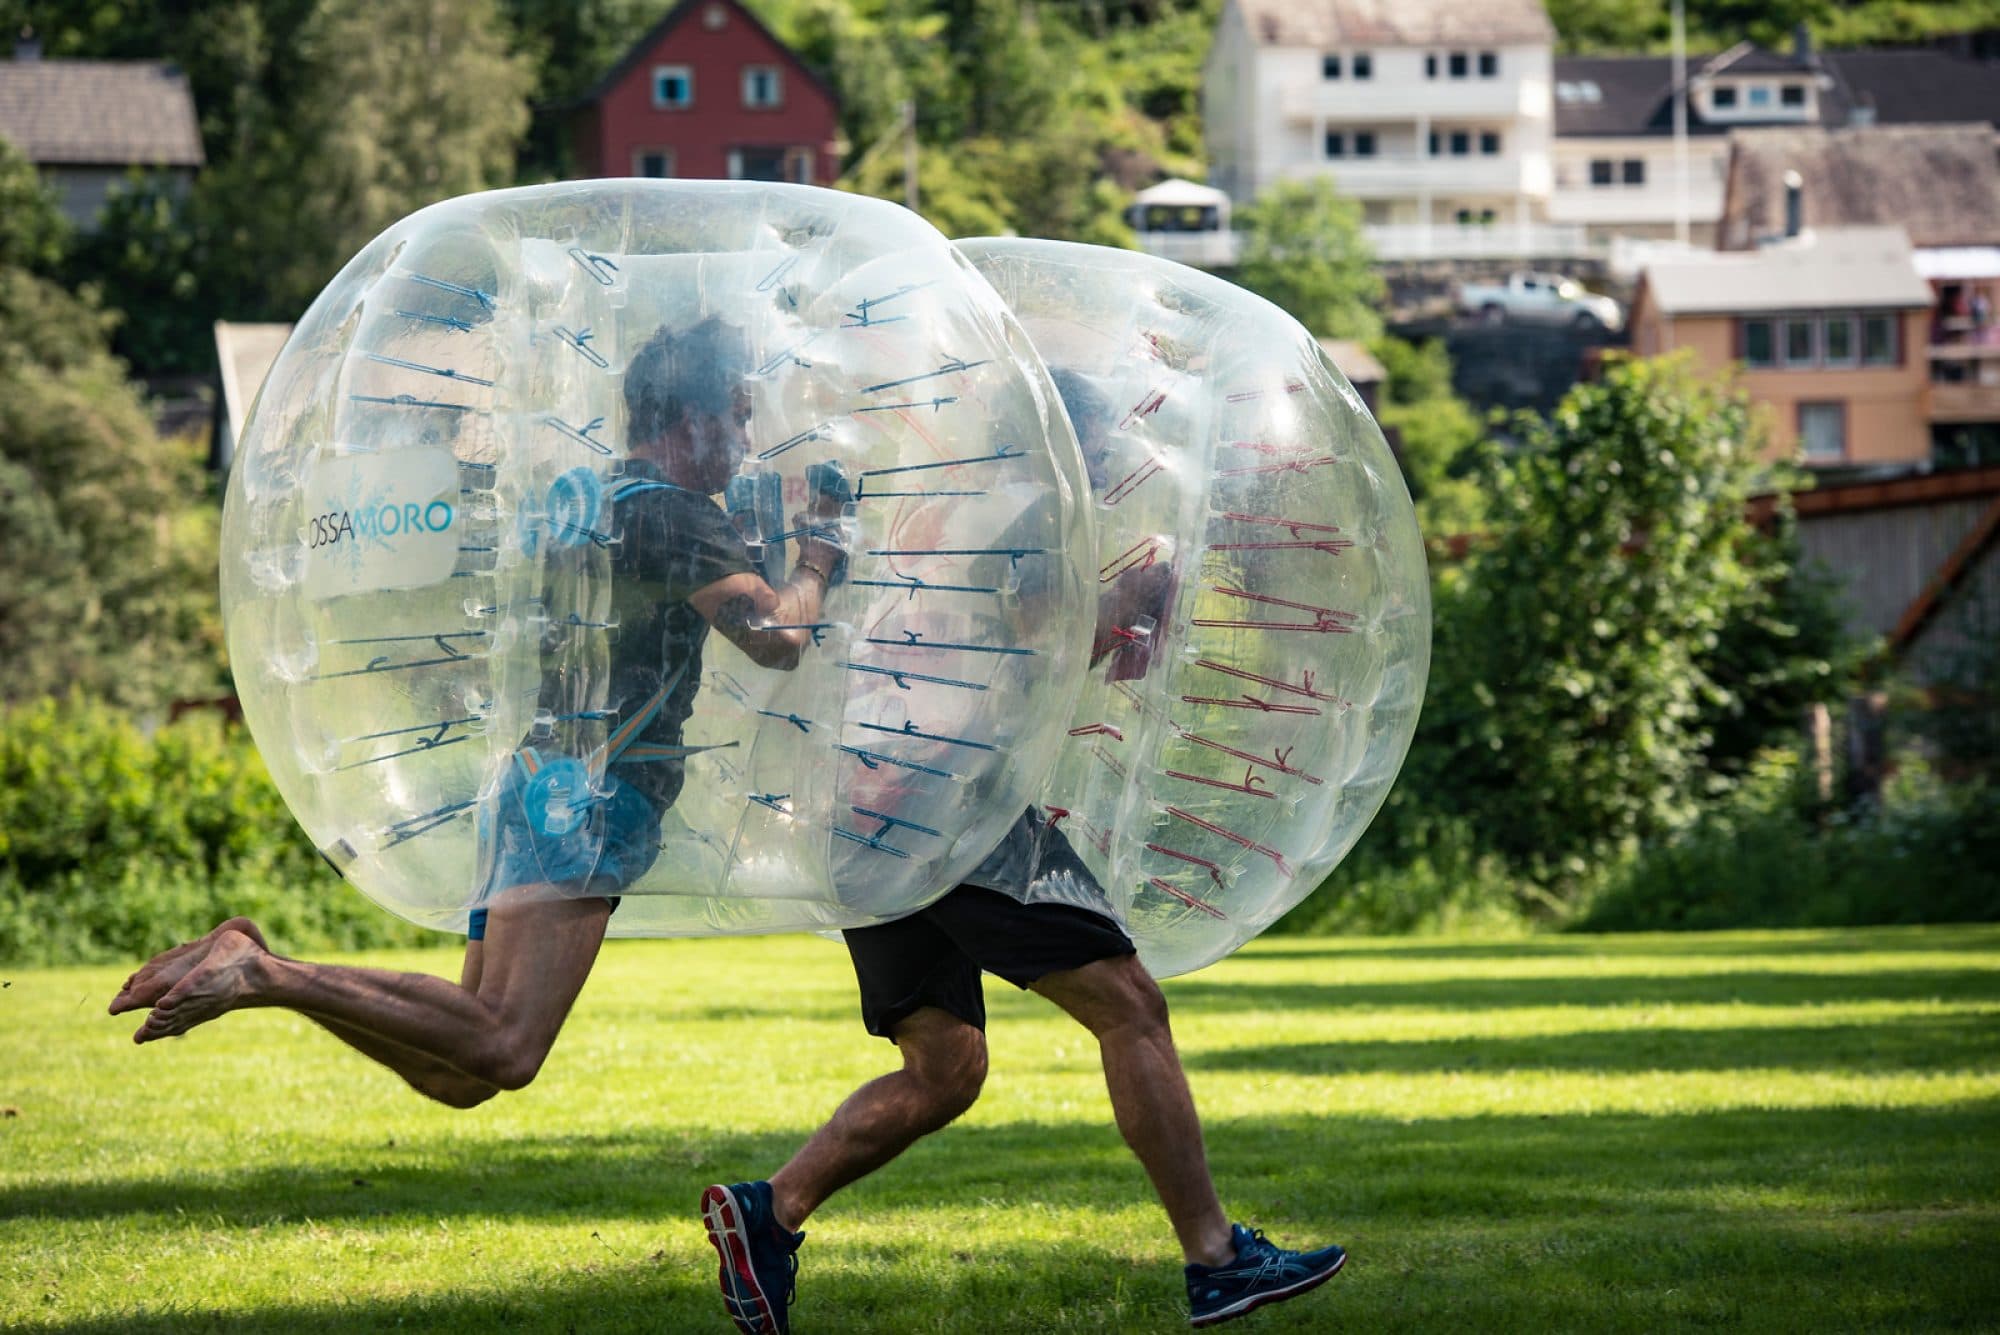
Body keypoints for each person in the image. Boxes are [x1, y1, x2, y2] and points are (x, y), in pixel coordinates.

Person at [700, 371, 1346, 1333]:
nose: (1104, 468)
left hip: (864, 805)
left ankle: (769, 1211)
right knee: (1131, 1007)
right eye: (1097, 449)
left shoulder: (956, 502)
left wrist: (1115, 612)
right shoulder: (1036, 509)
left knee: (944, 1067)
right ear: (1068, 443)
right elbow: (1049, 639)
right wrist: (1130, 597)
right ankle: (1215, 1258)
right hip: (942, 800)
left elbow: (998, 642)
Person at [109, 317, 847, 1109]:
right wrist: (819, 556)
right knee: (504, 1043)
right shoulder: (677, 516)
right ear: (691, 418)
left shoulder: (591, 498)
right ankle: (262, 971)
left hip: (532, 787)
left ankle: (262, 964)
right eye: (736, 414)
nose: (745, 436)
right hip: (592, 803)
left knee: (458, 1072)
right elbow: (778, 637)